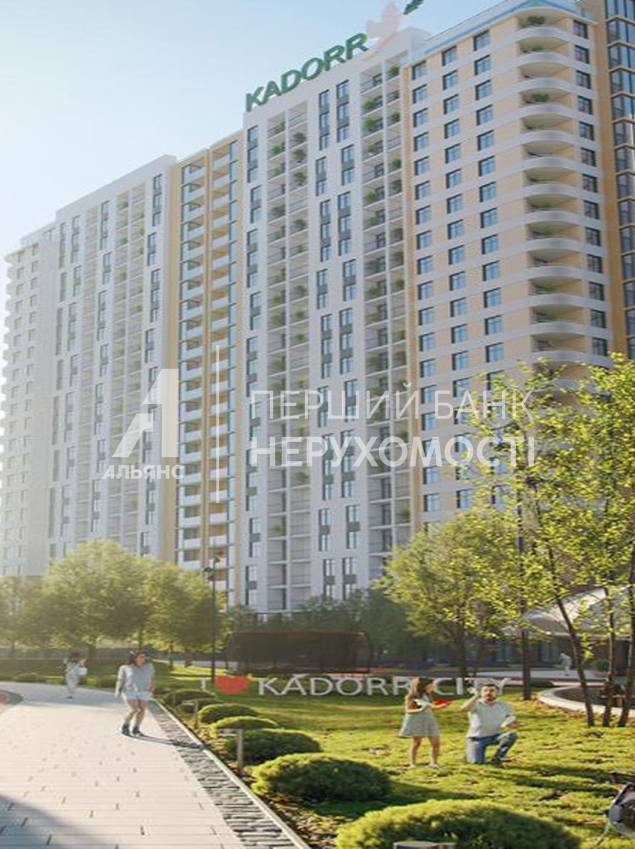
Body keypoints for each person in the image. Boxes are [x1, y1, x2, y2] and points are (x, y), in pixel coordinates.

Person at [462, 682, 518, 766]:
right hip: (476, 739)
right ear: (481, 693)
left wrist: (512, 724)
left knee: (511, 735)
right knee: (477, 763)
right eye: (485, 691)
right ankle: (471, 753)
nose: (488, 693)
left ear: (497, 693)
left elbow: (511, 719)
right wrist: (476, 696)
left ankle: (498, 758)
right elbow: (464, 708)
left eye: (492, 691)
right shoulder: (476, 704)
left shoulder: (505, 706)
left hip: (495, 736)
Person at [399, 676, 446, 768]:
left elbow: (429, 707)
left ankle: (433, 763)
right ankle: (412, 763)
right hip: (417, 721)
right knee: (417, 742)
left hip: (429, 720)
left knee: (436, 743)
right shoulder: (411, 697)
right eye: (431, 684)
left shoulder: (428, 695)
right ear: (424, 686)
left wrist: (439, 707)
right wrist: (421, 710)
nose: (433, 686)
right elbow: (408, 710)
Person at [115, 649, 155, 736]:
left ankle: (136, 729)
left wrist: (152, 688)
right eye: (141, 657)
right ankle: (125, 725)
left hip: (144, 691)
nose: (143, 658)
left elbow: (152, 677)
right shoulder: (125, 667)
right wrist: (117, 691)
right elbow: (120, 680)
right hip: (129, 691)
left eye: (144, 657)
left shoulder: (149, 666)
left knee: (142, 710)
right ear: (134, 658)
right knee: (134, 709)